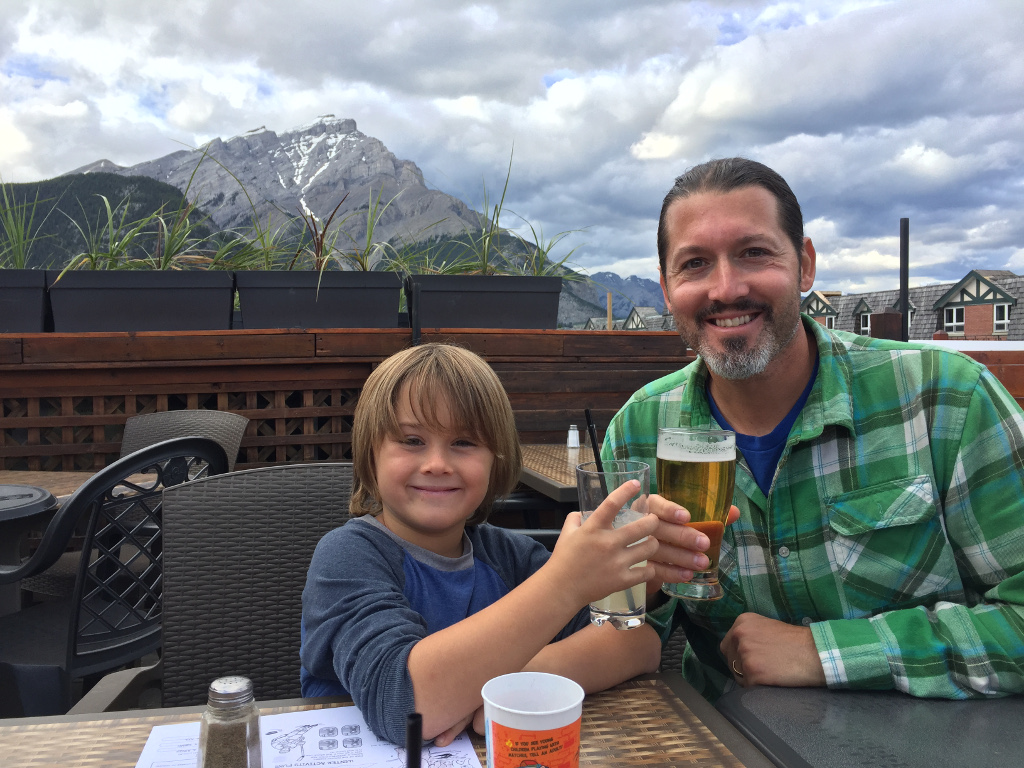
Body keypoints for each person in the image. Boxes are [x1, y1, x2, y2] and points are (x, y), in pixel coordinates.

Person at [603, 157, 1024, 702]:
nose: (726, 288)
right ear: (666, 288)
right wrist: (643, 592)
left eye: (754, 253)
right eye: (695, 264)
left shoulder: (945, 397)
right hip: (737, 743)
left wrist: (823, 653)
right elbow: (620, 633)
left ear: (804, 266)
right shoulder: (641, 428)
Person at [301, 343, 664, 745]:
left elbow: (639, 644)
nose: (437, 463)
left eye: (464, 442)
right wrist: (565, 583)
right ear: (370, 456)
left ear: (496, 460)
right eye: (411, 440)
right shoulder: (348, 556)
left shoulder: (510, 555)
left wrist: (511, 685)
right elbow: (404, 708)